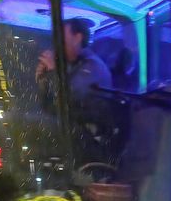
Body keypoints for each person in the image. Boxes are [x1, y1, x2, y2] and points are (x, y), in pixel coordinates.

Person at [36, 17, 120, 163]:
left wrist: (51, 72)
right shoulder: (74, 67)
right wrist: (43, 81)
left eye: (62, 38)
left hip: (90, 139)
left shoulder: (92, 67)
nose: (58, 45)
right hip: (75, 132)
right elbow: (51, 108)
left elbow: (69, 97)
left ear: (77, 38)